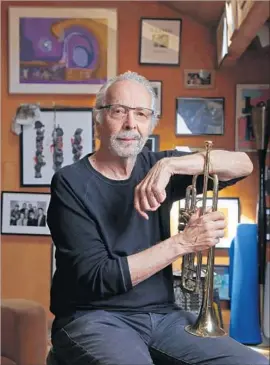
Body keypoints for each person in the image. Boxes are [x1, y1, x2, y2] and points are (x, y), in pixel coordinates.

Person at [47, 71, 267, 365]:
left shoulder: (159, 167)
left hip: (164, 318)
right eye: (119, 111)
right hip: (93, 318)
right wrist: (183, 242)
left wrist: (170, 164)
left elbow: (242, 165)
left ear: (151, 123)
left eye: (141, 114)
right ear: (98, 119)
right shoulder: (70, 182)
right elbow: (101, 277)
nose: (130, 124)